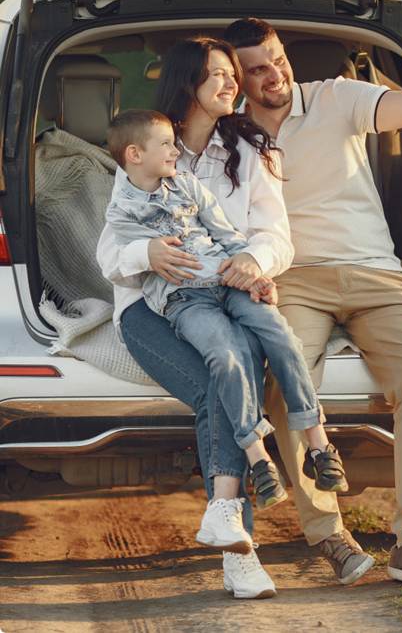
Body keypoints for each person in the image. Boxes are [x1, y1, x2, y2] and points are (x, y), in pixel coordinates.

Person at [217, 17, 402, 587]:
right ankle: (329, 536)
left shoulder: (337, 97)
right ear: (235, 79)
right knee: (287, 380)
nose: (273, 75)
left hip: (376, 275)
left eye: (277, 59)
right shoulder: (226, 136)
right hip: (294, 280)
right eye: (256, 69)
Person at [97, 37, 296, 599]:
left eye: (233, 73)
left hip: (223, 297)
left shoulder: (251, 153)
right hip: (148, 307)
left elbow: (276, 235)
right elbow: (109, 257)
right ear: (189, 85)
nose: (234, 84)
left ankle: (226, 528)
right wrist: (148, 255)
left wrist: (254, 263)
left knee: (230, 376)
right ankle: (239, 552)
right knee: (219, 385)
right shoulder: (148, 149)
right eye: (219, 75)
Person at [103, 108, 348, 517]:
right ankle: (259, 459)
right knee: (225, 356)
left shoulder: (187, 184)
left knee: (282, 337)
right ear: (134, 154)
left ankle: (320, 446)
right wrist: (146, 253)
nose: (174, 151)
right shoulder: (120, 213)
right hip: (184, 300)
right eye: (165, 144)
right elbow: (121, 262)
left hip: (229, 282)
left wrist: (254, 273)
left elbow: (226, 235)